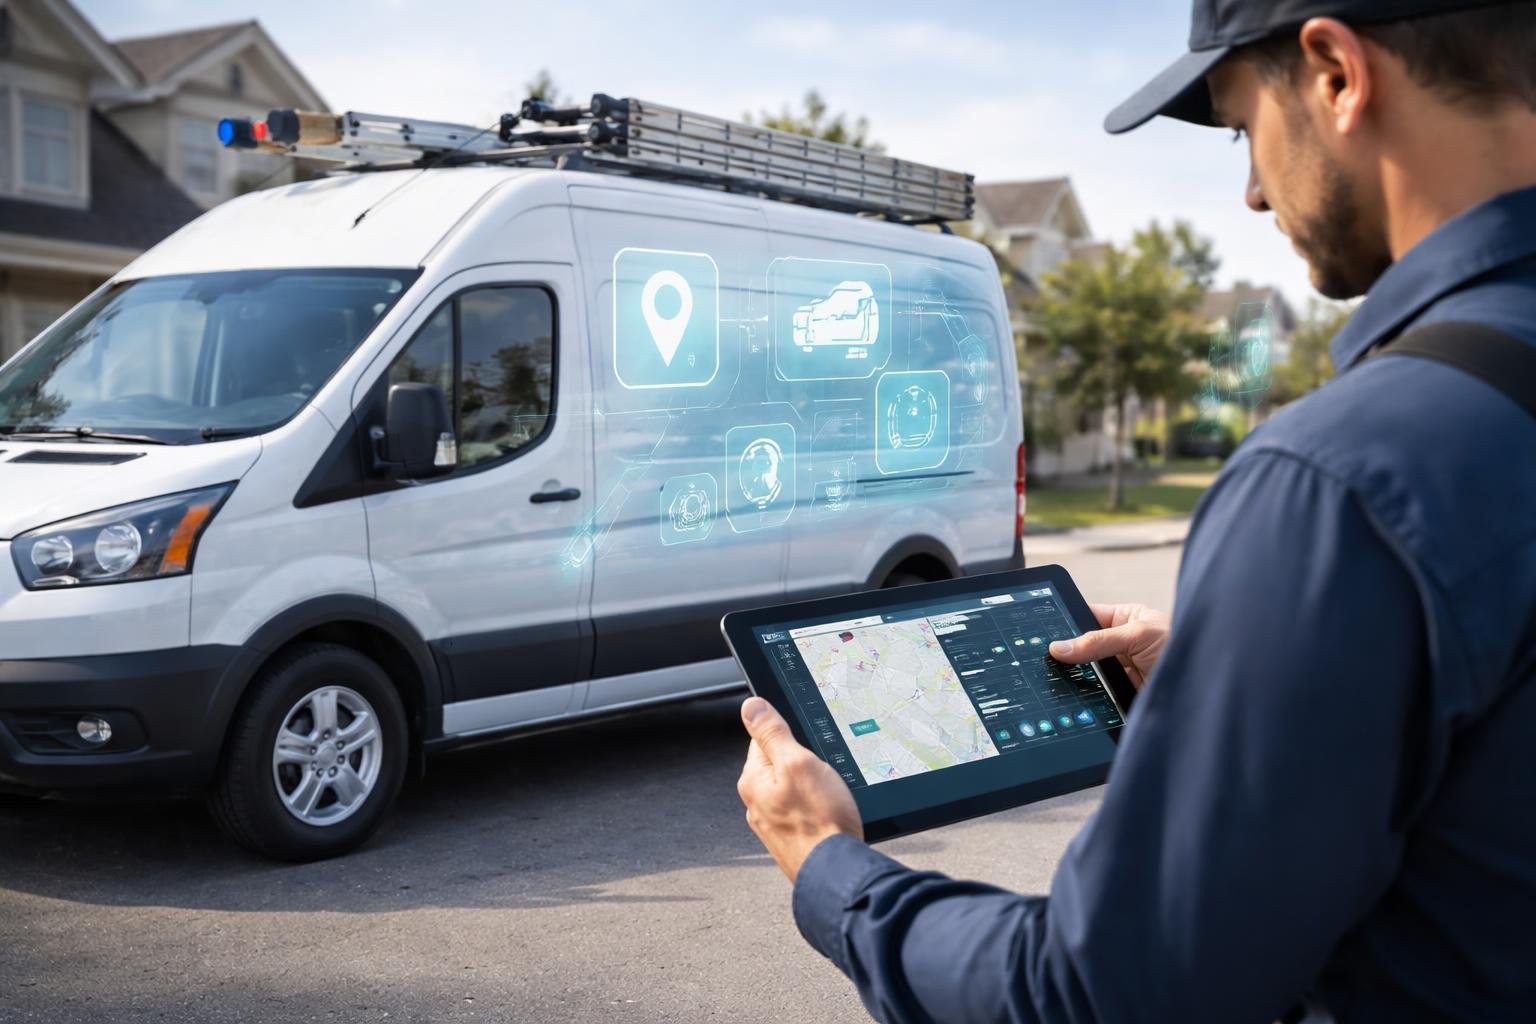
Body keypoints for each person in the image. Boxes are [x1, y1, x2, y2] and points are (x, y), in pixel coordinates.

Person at [735, 1, 1536, 1020]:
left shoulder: (1340, 485)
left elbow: (1100, 995)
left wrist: (833, 873)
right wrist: (1263, 660)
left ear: (1336, 73)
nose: (1250, 191)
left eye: (1247, 127)